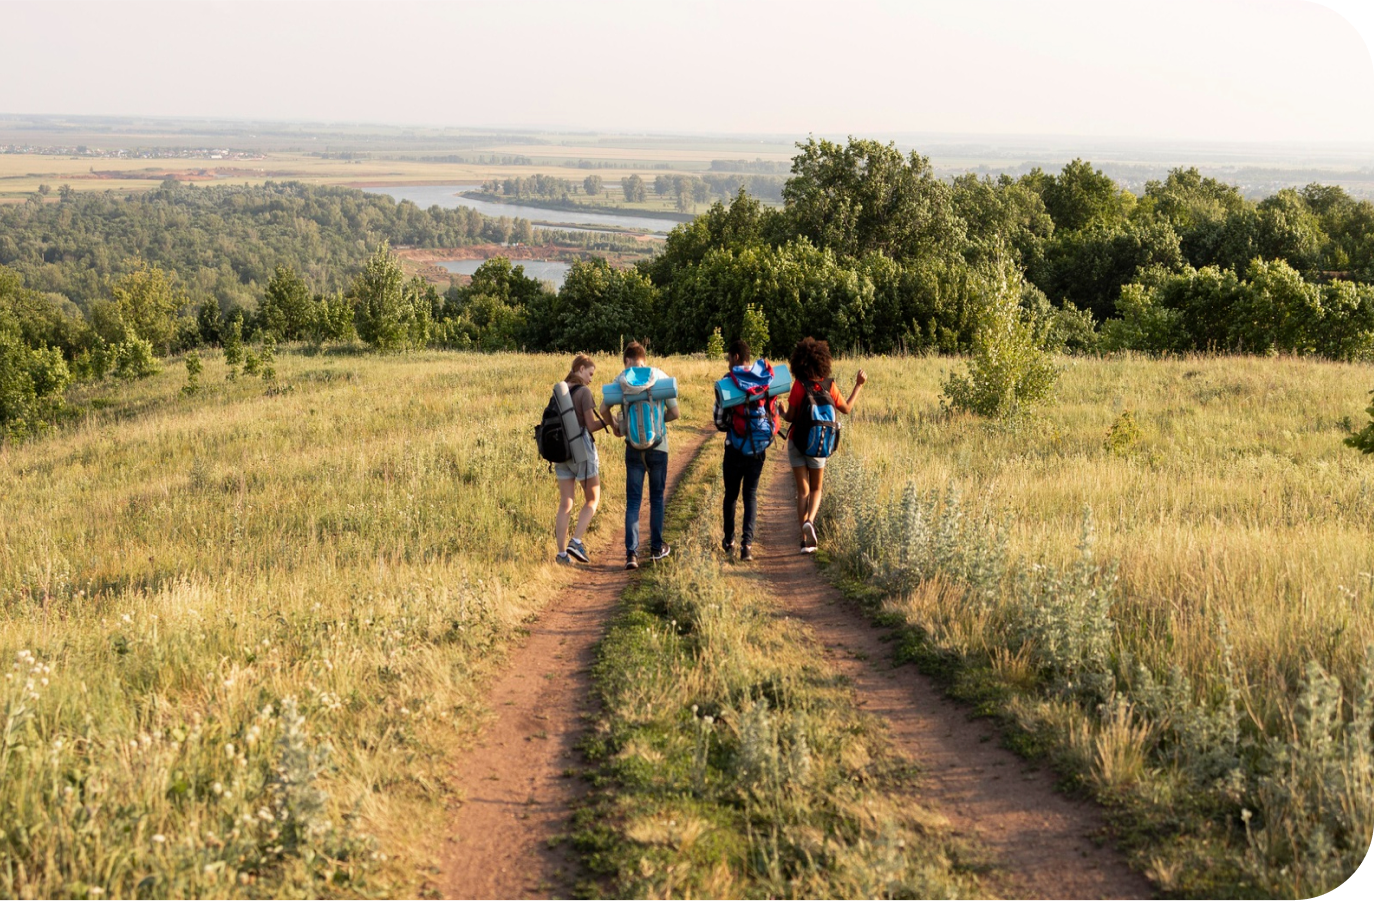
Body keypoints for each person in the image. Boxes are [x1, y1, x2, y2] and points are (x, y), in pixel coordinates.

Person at [781, 337, 866, 554]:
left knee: (803, 491)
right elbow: (846, 408)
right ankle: (810, 520)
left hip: (797, 443)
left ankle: (804, 540)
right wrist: (858, 385)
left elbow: (790, 417)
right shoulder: (830, 385)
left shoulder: (799, 386)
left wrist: (781, 411)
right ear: (823, 362)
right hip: (820, 444)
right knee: (817, 488)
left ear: (798, 362)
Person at [599, 341, 680, 570]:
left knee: (633, 501)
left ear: (627, 361)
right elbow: (675, 412)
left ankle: (631, 554)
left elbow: (603, 408)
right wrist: (659, 421)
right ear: (644, 357)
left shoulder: (621, 380)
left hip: (633, 449)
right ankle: (656, 549)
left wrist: (615, 425)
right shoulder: (659, 376)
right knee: (656, 499)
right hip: (658, 447)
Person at [716, 339, 776, 562]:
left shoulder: (726, 381)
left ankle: (729, 541)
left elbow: (719, 421)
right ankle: (747, 547)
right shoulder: (764, 379)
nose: (728, 362)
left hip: (734, 447)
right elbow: (772, 409)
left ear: (736, 357)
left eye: (729, 357)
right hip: (758, 447)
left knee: (731, 495)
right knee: (750, 495)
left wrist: (733, 426)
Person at [554, 353, 608, 566]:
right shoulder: (584, 392)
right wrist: (609, 422)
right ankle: (576, 541)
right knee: (592, 499)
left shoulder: (561, 391)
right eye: (590, 373)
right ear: (580, 369)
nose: (591, 379)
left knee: (566, 502)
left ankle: (561, 554)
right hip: (581, 450)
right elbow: (590, 424)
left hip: (561, 452)